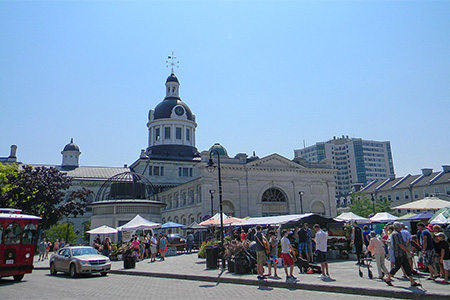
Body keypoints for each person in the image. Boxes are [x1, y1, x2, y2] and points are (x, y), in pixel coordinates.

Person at [383, 222, 421, 287]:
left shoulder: (398, 233)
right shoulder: (396, 234)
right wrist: (408, 251)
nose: (401, 227)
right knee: (397, 267)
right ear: (398, 227)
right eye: (400, 226)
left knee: (407, 267)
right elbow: (400, 244)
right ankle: (388, 278)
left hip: (402, 253)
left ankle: (412, 281)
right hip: (399, 253)